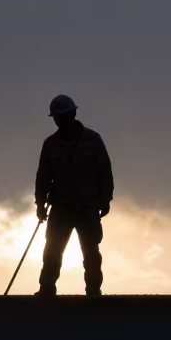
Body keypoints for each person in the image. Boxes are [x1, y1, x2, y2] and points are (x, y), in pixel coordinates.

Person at [34, 94, 114, 296]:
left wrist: (105, 199)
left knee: (91, 253)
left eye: (64, 116)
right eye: (57, 117)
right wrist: (40, 204)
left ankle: (94, 292)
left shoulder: (93, 140)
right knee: (52, 251)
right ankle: (47, 290)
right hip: (61, 208)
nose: (60, 121)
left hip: (87, 207)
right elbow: (43, 176)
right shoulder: (50, 144)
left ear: (73, 114)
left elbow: (105, 171)